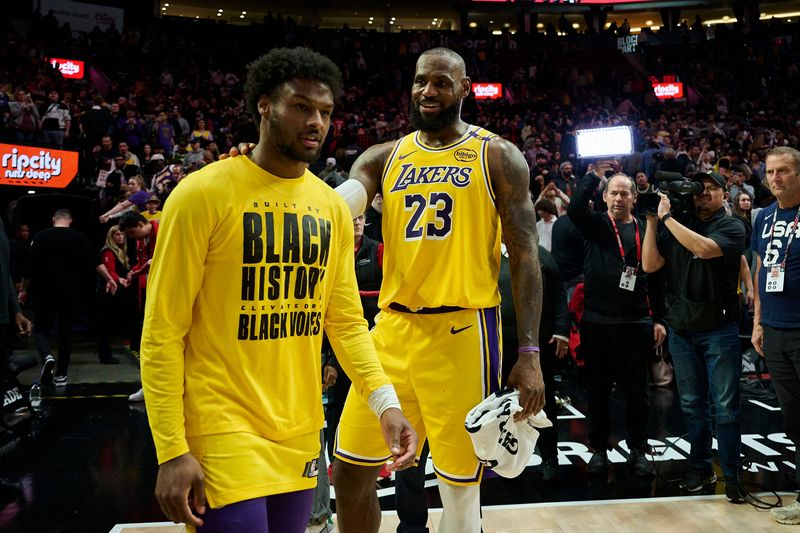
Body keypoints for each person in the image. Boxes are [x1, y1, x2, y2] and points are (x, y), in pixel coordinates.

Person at [139, 47, 415, 532]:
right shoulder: (201, 195)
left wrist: (384, 403)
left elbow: (346, 323)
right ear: (264, 105)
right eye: (301, 106)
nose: (316, 122)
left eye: (325, 111)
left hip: (300, 429)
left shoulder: (330, 207)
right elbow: (162, 332)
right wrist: (171, 449)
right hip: (221, 427)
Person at [332, 47, 545, 533]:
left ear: (464, 89)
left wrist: (529, 353)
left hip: (462, 333)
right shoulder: (383, 156)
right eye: (420, 81)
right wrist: (297, 200)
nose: (428, 91)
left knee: (459, 489)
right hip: (391, 330)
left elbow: (526, 255)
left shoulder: (497, 155)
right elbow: (345, 200)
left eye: (441, 83)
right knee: (350, 470)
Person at [642, 171, 747, 502]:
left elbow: (703, 249)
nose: (704, 193)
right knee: (691, 405)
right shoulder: (677, 223)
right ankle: (699, 469)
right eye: (700, 189)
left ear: (725, 195)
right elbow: (649, 265)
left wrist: (667, 218)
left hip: (719, 329)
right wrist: (651, 222)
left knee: (725, 407)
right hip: (681, 329)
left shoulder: (731, 226)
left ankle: (731, 474)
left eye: (712, 189)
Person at [567, 166, 665, 477]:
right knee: (597, 391)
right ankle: (598, 449)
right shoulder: (595, 223)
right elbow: (574, 207)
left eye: (624, 193)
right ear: (605, 197)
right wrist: (593, 176)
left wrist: (658, 319)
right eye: (613, 193)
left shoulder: (645, 228)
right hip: (597, 321)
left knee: (638, 393)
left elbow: (656, 278)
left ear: (634, 198)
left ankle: (638, 449)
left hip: (636, 322)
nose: (619, 198)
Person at [751, 147, 800, 525]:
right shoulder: (764, 216)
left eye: (783, 171)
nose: (775, 178)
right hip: (775, 330)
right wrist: (757, 321)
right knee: (794, 420)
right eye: (770, 172)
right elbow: (760, 268)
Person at [20, 209, 117, 386]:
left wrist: (24, 289)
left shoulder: (40, 236)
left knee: (41, 329)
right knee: (66, 332)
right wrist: (110, 279)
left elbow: (29, 266)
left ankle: (47, 356)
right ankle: (61, 374)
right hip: (70, 292)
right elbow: (95, 262)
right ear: (70, 220)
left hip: (44, 291)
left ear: (53, 219)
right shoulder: (79, 237)